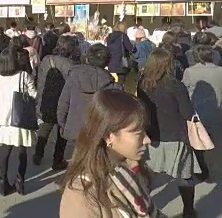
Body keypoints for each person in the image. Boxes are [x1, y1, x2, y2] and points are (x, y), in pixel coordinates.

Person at [60, 89, 161, 218]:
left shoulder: (129, 171)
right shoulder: (81, 194)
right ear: (109, 136)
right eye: (138, 133)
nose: (147, 140)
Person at [137, 48, 198, 218]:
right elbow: (187, 113)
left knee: (148, 177)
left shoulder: (142, 84)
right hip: (176, 136)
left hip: (152, 135)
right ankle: (188, 210)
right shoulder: (176, 85)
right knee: (184, 175)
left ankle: (142, 208)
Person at [0, 48, 38, 196]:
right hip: (20, 117)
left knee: (5, 151)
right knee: (22, 151)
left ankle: (2, 182)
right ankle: (20, 181)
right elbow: (34, 94)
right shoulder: (23, 75)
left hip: (4, 117)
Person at [181, 44, 222, 182]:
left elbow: (184, 88)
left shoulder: (189, 71)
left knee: (199, 143)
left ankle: (203, 170)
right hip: (217, 110)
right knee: (215, 142)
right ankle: (213, 168)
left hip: (198, 112)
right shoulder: (221, 70)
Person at [58, 43, 120, 143]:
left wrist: (63, 126)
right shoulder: (114, 86)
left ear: (87, 59)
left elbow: (63, 104)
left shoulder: (74, 77)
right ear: (108, 62)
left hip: (74, 131)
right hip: (100, 135)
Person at [34, 35, 77, 170]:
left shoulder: (46, 59)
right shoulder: (71, 65)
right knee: (61, 132)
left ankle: (38, 154)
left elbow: (40, 80)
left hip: (46, 100)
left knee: (45, 128)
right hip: (62, 103)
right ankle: (57, 160)